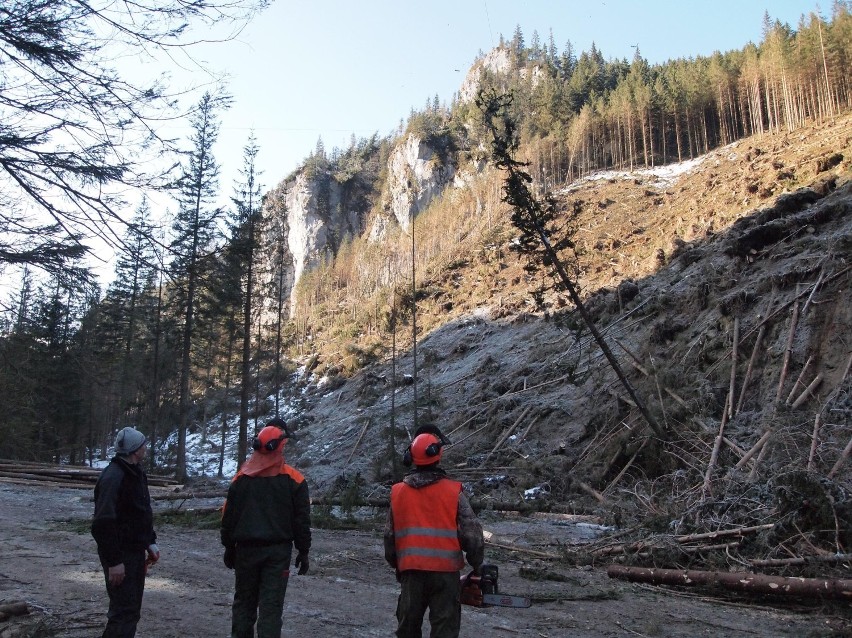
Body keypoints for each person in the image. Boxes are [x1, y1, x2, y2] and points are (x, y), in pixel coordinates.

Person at [384, 425, 485, 638]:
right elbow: (472, 534)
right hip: (445, 575)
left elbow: (390, 537)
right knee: (445, 630)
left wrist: (397, 564)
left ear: (411, 457)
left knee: (408, 628)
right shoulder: (453, 492)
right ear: (437, 455)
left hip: (411, 572)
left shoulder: (398, 493)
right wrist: (477, 565)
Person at [221, 417, 311, 638]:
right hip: (277, 552)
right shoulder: (295, 480)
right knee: (270, 608)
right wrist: (304, 550)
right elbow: (301, 520)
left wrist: (229, 546)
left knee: (244, 604)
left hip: (246, 550)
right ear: (280, 446)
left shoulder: (241, 479)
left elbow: (228, 517)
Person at [91, 426, 160, 638]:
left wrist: (150, 541)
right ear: (134, 449)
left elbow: (140, 513)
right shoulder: (114, 476)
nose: (146, 447)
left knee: (130, 611)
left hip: (134, 552)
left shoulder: (136, 473)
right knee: (122, 612)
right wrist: (114, 562)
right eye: (143, 444)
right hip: (120, 555)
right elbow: (102, 523)